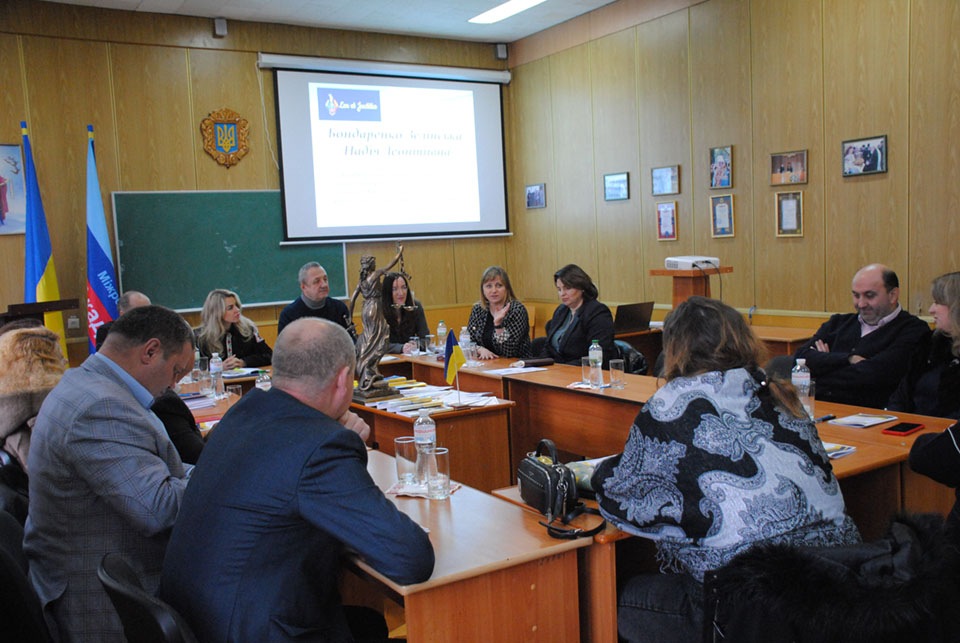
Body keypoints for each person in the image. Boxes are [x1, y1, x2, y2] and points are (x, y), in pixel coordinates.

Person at [592, 297, 860, 642]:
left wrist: (598, 473)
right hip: (834, 584)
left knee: (615, 597)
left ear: (674, 348)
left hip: (746, 606)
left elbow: (626, 496)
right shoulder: (779, 392)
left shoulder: (672, 402)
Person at [159, 318, 434, 641]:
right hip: (254, 629)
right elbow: (410, 559)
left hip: (198, 619)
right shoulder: (322, 446)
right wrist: (337, 438)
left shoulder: (243, 413)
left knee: (368, 623)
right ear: (344, 379)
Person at [24, 305, 194, 641]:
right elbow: (158, 510)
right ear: (150, 351)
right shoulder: (101, 406)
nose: (174, 385)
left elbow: (156, 468)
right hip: (98, 600)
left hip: (97, 567)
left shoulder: (84, 381)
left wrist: (197, 473)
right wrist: (217, 477)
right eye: (176, 371)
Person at [793, 263, 931, 408]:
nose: (861, 304)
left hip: (871, 415)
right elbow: (799, 361)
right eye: (856, 295)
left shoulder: (913, 330)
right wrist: (849, 359)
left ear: (893, 295)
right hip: (819, 410)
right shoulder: (837, 323)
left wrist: (822, 366)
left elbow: (874, 376)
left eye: (869, 295)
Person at [0, 325, 67, 524]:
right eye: (58, 355)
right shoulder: (46, 415)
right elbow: (53, 489)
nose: (65, 361)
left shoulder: (8, 413)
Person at [888, 271, 960, 419]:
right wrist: (891, 419)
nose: (931, 310)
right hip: (915, 427)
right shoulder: (930, 343)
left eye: (938, 302)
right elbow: (902, 394)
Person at [539, 264, 616, 367]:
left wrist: (563, 369)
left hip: (583, 371)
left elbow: (600, 354)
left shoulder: (597, 312)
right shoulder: (561, 311)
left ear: (581, 287)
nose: (562, 294)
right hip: (558, 371)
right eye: (559, 289)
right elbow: (548, 348)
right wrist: (540, 367)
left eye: (567, 288)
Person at [349, 248, 402, 390]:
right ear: (371, 264)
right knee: (381, 334)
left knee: (369, 337)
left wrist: (350, 317)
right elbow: (390, 264)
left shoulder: (362, 281)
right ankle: (368, 369)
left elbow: (352, 300)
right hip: (375, 307)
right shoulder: (375, 274)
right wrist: (399, 253)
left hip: (365, 309)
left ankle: (368, 371)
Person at [195, 288, 272, 369]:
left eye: (237, 305)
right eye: (230, 308)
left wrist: (244, 362)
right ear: (217, 312)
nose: (237, 310)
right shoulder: (200, 337)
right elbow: (194, 366)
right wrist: (217, 366)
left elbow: (269, 355)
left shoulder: (248, 329)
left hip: (245, 376)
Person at [466, 266, 531, 359]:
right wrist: (479, 349)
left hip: (516, 363)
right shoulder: (478, 309)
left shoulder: (517, 310)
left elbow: (509, 351)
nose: (494, 291)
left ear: (507, 288)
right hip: (487, 363)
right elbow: (468, 340)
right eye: (489, 286)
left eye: (499, 285)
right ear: (483, 290)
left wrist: (498, 326)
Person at [277, 262, 354, 337]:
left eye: (325, 279)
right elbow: (284, 345)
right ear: (303, 287)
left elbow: (351, 340)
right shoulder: (289, 315)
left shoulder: (339, 308)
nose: (324, 285)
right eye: (317, 281)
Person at [381, 271, 429, 354]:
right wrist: (401, 348)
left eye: (404, 287)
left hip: (410, 357)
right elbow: (377, 345)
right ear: (387, 292)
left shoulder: (415, 306)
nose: (401, 293)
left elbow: (426, 338)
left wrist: (416, 344)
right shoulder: (378, 311)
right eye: (394, 289)